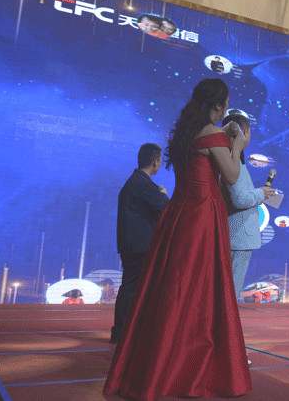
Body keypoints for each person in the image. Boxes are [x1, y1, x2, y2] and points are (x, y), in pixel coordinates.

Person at [104, 78, 251, 400]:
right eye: (226, 103)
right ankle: (188, 368)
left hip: (179, 215)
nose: (226, 108)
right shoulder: (212, 133)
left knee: (170, 289)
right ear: (217, 105)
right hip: (202, 215)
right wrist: (237, 145)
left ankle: (158, 365)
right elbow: (231, 176)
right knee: (199, 291)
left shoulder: (185, 133)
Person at [110, 143, 169, 344]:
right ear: (155, 162)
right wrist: (163, 194)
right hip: (139, 246)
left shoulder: (136, 182)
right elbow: (165, 207)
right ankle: (121, 333)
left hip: (132, 244)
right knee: (131, 288)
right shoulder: (143, 184)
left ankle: (124, 331)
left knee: (131, 287)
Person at [220, 110, 276, 300]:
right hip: (238, 235)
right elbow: (239, 199)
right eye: (249, 132)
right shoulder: (231, 159)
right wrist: (261, 193)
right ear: (243, 133)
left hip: (235, 235)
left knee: (227, 288)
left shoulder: (229, 157)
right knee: (230, 291)